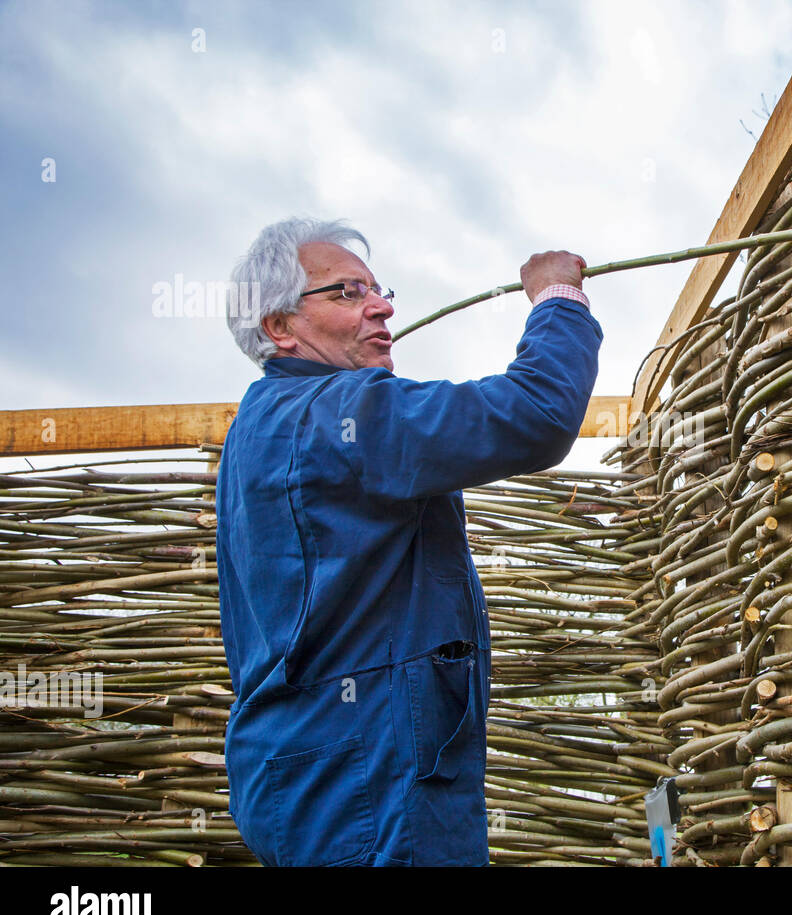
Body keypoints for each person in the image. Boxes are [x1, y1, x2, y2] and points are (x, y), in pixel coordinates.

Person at [215, 217, 601, 865]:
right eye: (345, 292)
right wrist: (557, 300)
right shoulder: (335, 415)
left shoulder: (263, 424)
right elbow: (536, 415)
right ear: (279, 327)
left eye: (378, 288)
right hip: (365, 778)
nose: (382, 306)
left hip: (317, 769)